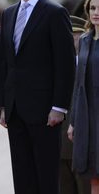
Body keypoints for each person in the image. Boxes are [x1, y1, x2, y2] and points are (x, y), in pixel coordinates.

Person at [0, 0, 76, 194]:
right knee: (22, 178)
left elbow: (65, 65)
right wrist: (3, 105)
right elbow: (5, 63)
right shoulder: (8, 13)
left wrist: (59, 107)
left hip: (45, 112)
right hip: (15, 111)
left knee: (46, 179)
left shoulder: (55, 13)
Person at [68, 0, 99, 194]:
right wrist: (73, 122)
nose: (96, 12)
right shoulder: (86, 40)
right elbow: (79, 84)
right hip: (88, 115)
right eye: (93, 8)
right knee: (93, 175)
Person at [60, 15, 91, 194]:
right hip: (58, 145)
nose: (72, 40)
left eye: (76, 35)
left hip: (83, 146)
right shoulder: (54, 65)